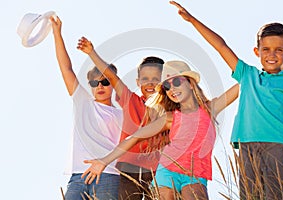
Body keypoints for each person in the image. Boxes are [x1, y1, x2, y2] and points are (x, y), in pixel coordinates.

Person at [169, 1, 283, 199]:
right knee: (249, 196)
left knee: (278, 195)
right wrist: (192, 20)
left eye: (278, 50)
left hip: (278, 148)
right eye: (266, 49)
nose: (271, 55)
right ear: (257, 51)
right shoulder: (247, 75)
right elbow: (221, 46)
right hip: (247, 147)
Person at [80, 60, 239, 200]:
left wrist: (258, 70)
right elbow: (134, 137)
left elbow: (243, 83)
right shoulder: (170, 118)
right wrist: (104, 160)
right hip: (167, 170)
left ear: (190, 83)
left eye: (176, 82)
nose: (172, 89)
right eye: (167, 86)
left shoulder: (209, 109)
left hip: (196, 175)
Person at [77, 37, 165, 199]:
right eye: (145, 79)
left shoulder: (169, 112)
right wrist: (92, 53)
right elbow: (111, 77)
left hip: (157, 171)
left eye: (156, 79)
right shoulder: (131, 100)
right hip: (129, 168)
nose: (150, 83)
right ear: (138, 82)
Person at [50, 16, 123, 200]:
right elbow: (66, 68)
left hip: (108, 175)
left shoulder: (122, 114)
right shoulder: (83, 101)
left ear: (113, 84)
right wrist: (57, 33)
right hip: (78, 176)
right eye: (94, 82)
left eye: (105, 82)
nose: (100, 86)